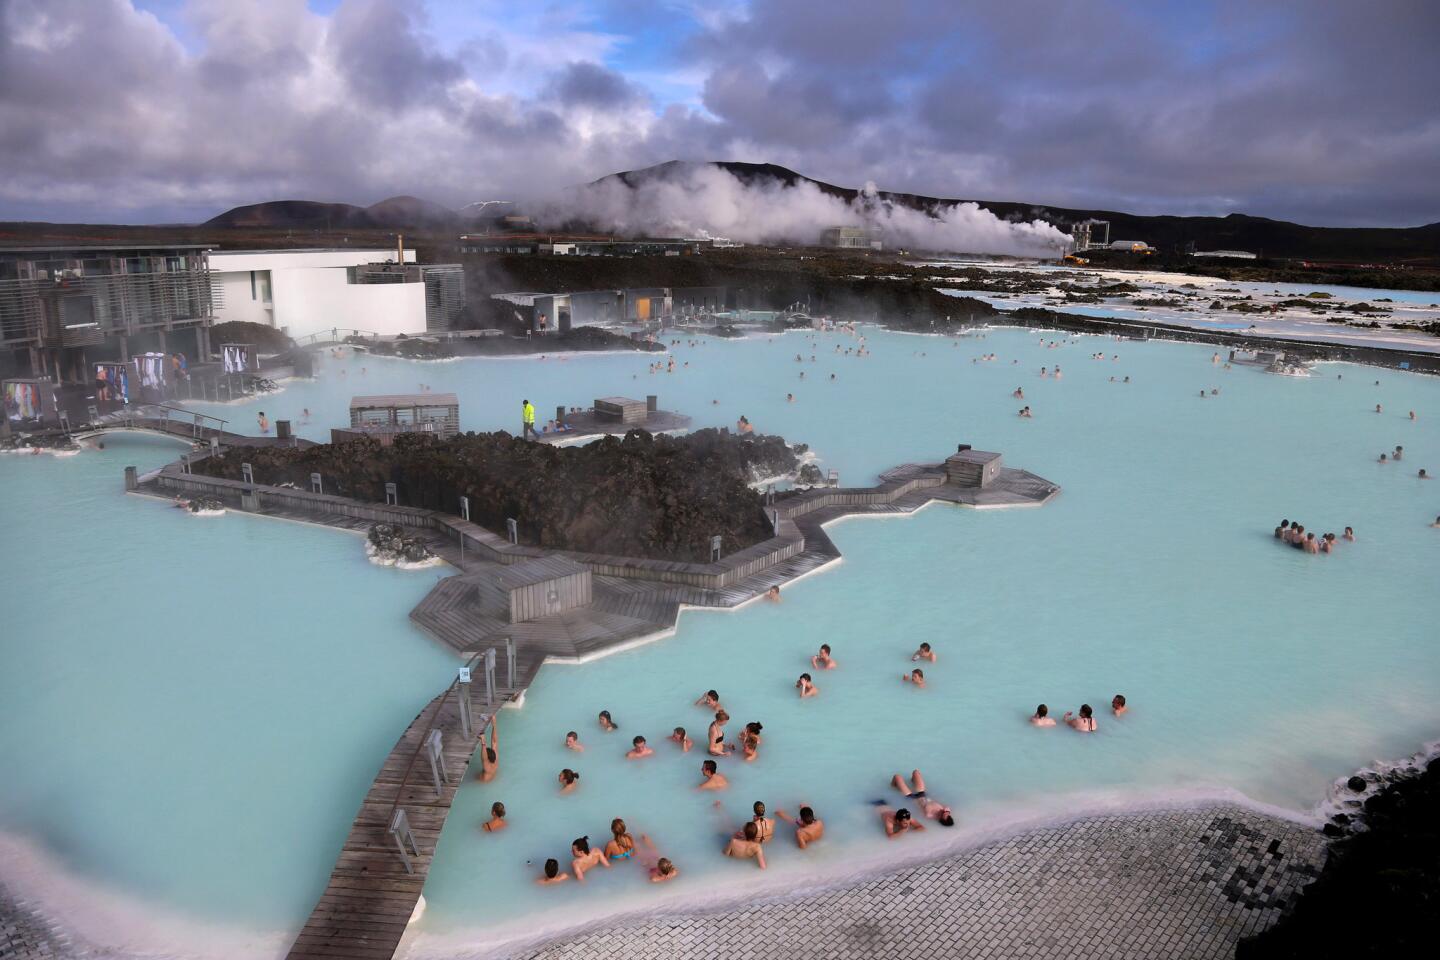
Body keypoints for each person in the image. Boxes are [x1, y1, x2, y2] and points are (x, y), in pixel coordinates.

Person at [890, 770, 955, 826]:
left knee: (897, 776)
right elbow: (947, 807)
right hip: (922, 794)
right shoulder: (945, 810)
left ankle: (892, 786)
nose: (945, 814)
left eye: (944, 817)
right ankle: (912, 781)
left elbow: (927, 808)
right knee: (916, 772)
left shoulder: (930, 815)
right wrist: (947, 812)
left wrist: (942, 813)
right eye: (947, 816)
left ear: (941, 820)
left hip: (911, 797)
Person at [476, 714, 499, 783]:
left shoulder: (487, 767)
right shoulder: (495, 761)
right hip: (491, 779)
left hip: (482, 783)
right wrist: (494, 724)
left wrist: (483, 740)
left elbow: (484, 758)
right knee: (494, 745)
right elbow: (494, 742)